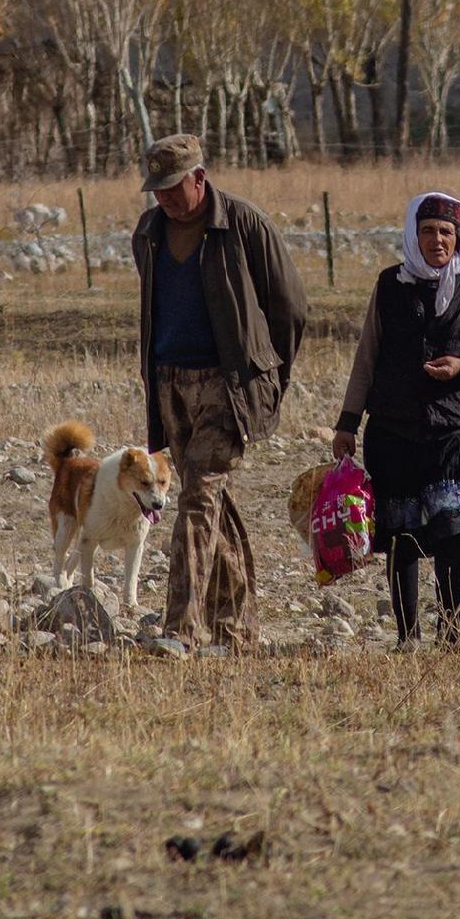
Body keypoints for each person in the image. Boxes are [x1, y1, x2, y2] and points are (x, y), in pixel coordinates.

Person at [132, 134, 307, 653]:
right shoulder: (149, 232)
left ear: (199, 179)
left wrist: (268, 375)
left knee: (196, 499)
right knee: (208, 503)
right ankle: (237, 630)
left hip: (227, 387)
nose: (163, 197)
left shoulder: (244, 223)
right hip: (170, 383)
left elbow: (291, 308)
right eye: (156, 188)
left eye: (172, 187)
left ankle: (181, 631)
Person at [332, 192, 460, 650]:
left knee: (453, 532)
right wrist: (347, 423)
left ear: (459, 238)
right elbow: (367, 356)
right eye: (428, 230)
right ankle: (407, 636)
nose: (437, 240)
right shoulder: (389, 285)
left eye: (446, 232)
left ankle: (450, 633)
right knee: (402, 533)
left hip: (454, 431)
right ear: (414, 235)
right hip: (393, 429)